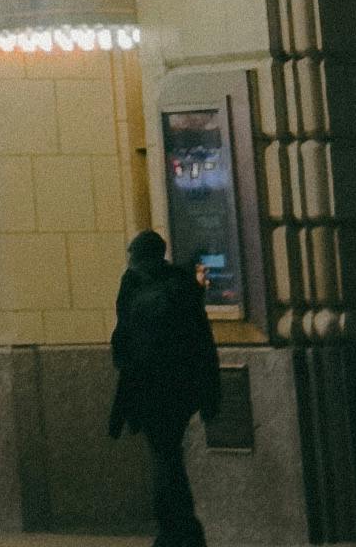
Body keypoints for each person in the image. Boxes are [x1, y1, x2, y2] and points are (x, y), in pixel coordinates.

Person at [107, 231, 222, 547]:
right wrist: (210, 390)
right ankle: (183, 527)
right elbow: (202, 339)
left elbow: (121, 339)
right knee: (169, 452)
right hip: (181, 386)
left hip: (148, 386)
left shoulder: (133, 283)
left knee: (164, 456)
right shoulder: (181, 283)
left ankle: (176, 529)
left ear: (137, 255)